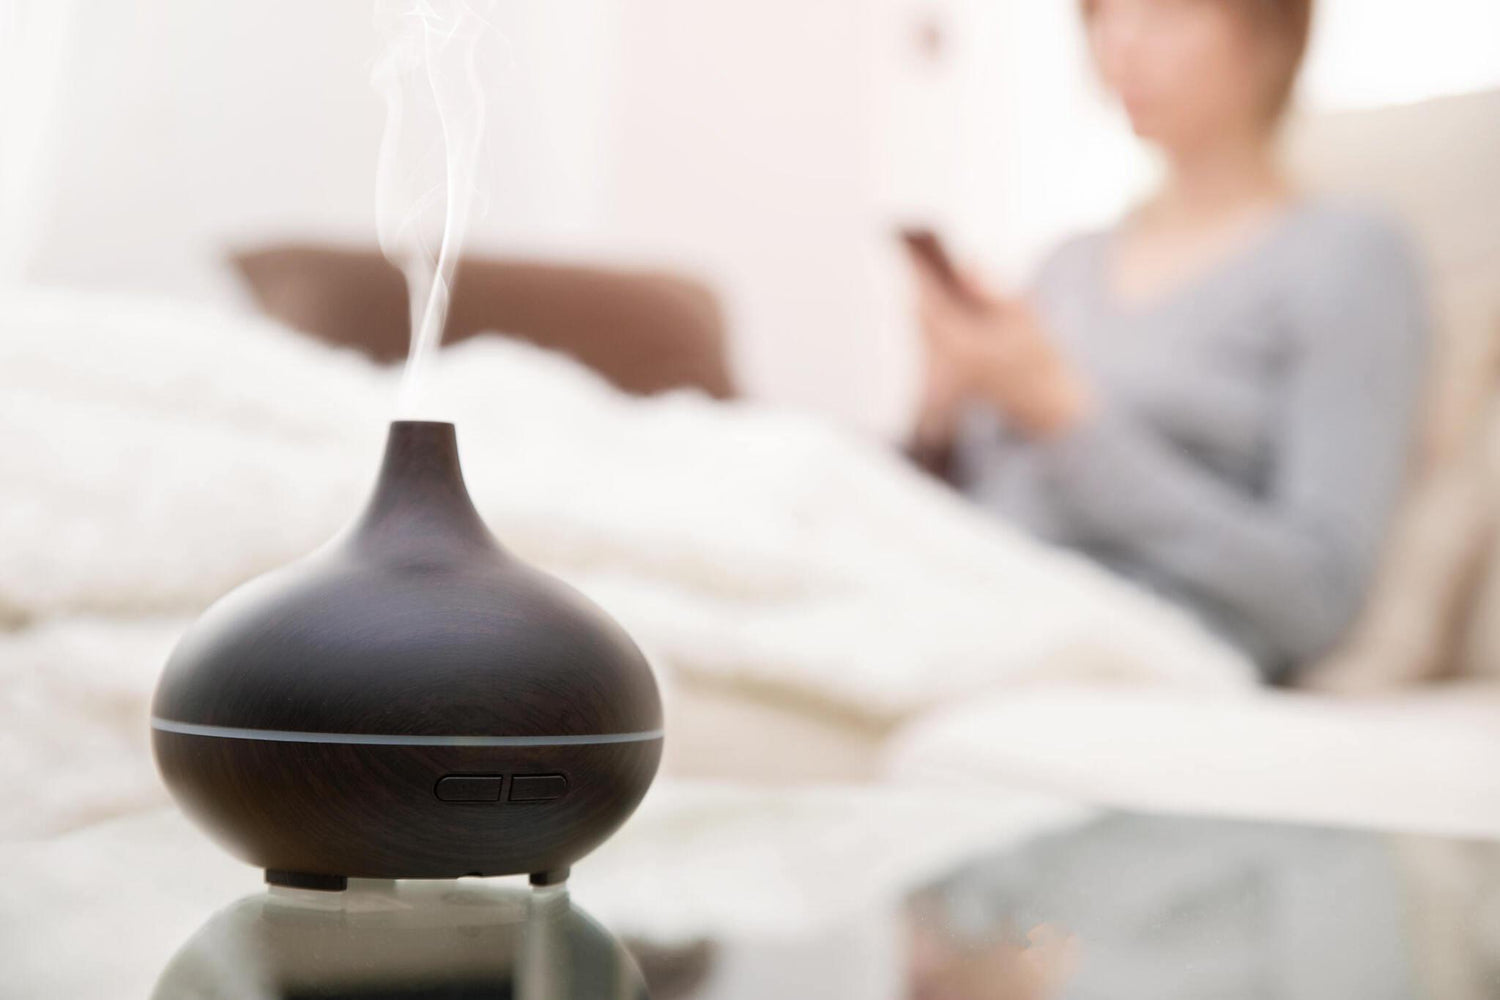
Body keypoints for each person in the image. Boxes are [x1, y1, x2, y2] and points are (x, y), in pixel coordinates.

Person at [911, 0, 1427, 684]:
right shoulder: (1067, 264)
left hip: (1132, 636)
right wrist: (941, 414)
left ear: (1269, 37)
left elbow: (1317, 594)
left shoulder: (1346, 257)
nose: (1119, 44)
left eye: (1162, 14)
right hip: (959, 589)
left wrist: (1069, 421)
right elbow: (962, 512)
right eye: (1103, 15)